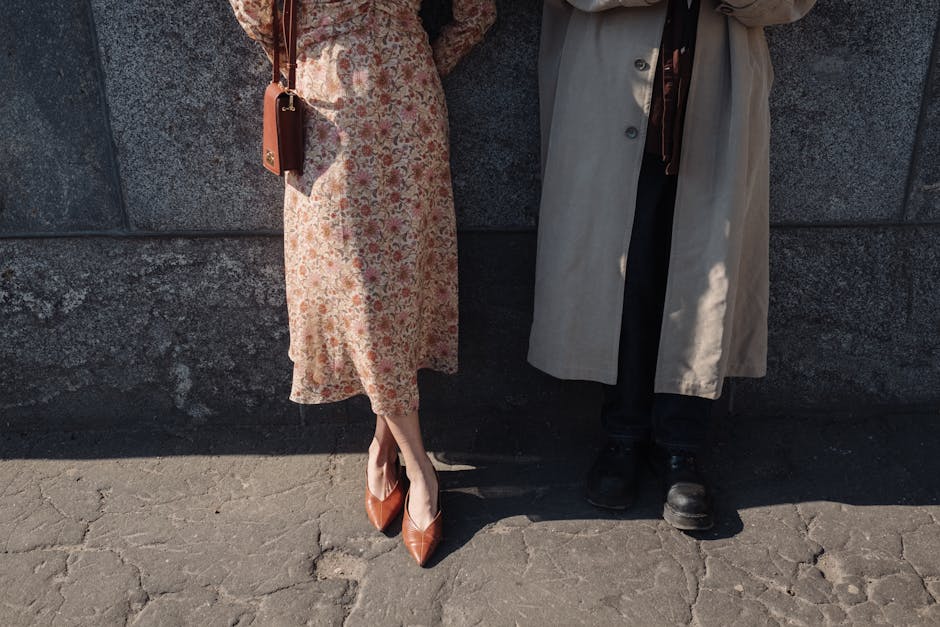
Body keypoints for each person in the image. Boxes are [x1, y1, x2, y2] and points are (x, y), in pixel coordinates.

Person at [229, 0, 496, 565]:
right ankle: (414, 464)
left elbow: (255, 16)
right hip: (361, 111)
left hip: (363, 103)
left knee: (395, 289)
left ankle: (390, 452)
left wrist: (328, 48)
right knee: (364, 293)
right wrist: (407, 55)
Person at [530, 0, 815, 530]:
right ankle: (622, 433)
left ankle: (681, 443)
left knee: (702, 272)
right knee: (624, 266)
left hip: (715, 87)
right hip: (611, 88)